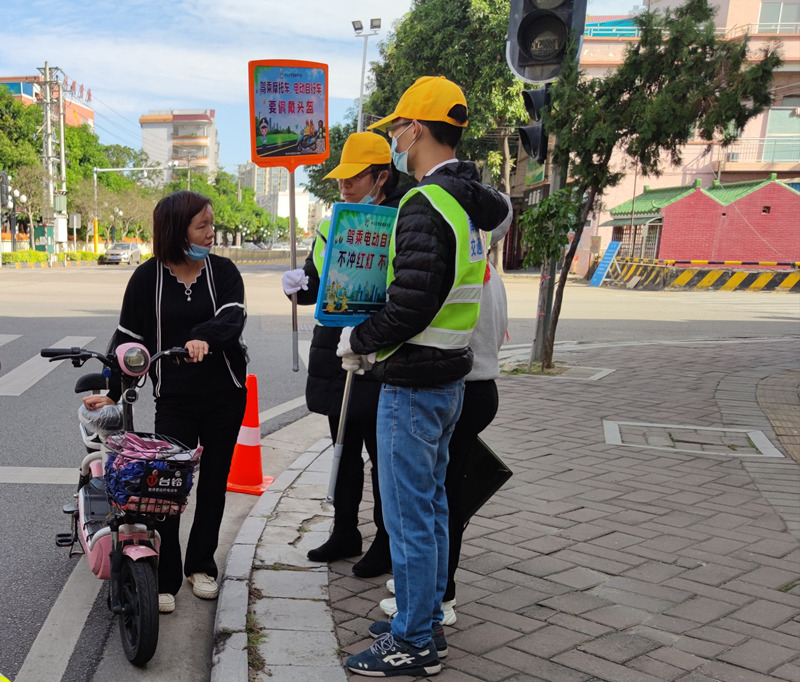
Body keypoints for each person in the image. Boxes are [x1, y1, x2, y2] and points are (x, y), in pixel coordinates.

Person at [339, 76, 512, 677]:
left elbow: (411, 303)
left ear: (415, 129)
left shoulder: (424, 203)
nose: (393, 138)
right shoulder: (468, 201)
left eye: (396, 128)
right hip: (449, 377)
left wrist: (358, 340)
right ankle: (426, 618)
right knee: (432, 508)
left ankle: (412, 640)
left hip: (414, 384)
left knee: (409, 516)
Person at [83, 191, 248, 615]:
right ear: (176, 230)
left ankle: (201, 565)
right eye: (202, 226)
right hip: (175, 399)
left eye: (211, 224)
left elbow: (233, 317)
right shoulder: (146, 279)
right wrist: (112, 391)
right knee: (165, 488)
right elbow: (128, 341)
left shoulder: (223, 272)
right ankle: (166, 575)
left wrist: (203, 337)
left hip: (225, 396)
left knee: (213, 483)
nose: (211, 233)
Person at [282, 132, 405, 577]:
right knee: (344, 446)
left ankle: (386, 541)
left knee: (384, 456)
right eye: (341, 179)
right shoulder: (333, 223)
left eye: (355, 178)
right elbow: (317, 284)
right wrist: (299, 287)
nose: (345, 186)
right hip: (338, 350)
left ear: (381, 177)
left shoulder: (402, 220)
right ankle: (345, 531)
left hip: (380, 350)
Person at [377, 224, 510, 626]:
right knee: (439, 498)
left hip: (457, 387)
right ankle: (428, 591)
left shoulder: (459, 271)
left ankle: (438, 600)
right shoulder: (487, 271)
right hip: (480, 388)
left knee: (431, 502)